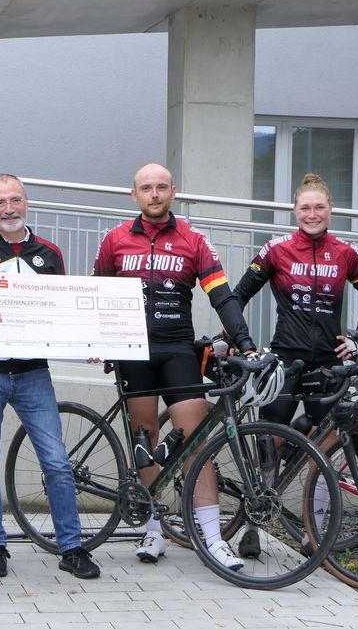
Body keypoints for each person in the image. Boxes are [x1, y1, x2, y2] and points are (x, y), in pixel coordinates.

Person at [91, 162, 257, 569]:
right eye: (146, 188)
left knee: (195, 442)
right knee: (145, 439)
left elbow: (222, 296)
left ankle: (214, 539)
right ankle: (152, 528)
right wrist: (94, 340)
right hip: (132, 350)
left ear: (173, 192)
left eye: (161, 187)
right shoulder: (115, 239)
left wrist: (247, 344)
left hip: (178, 349)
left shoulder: (193, 239)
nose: (154, 194)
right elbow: (95, 292)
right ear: (135, 195)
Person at [0, 174, 100, 580]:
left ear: (27, 202)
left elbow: (64, 312)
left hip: (32, 373)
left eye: (15, 200)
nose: (8, 208)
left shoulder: (50, 253)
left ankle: (72, 547)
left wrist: (89, 342)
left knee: (58, 462)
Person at [231, 172, 358, 557]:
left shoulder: (345, 252)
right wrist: (242, 344)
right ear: (295, 211)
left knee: (325, 444)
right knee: (271, 437)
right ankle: (254, 523)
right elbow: (237, 296)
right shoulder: (276, 249)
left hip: (329, 362)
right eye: (305, 208)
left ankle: (316, 528)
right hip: (285, 358)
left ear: (330, 210)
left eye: (319, 207)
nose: (312, 214)